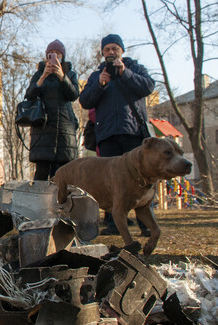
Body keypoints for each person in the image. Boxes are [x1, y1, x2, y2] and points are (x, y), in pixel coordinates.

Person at [79, 33, 155, 236]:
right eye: (107, 50)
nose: (111, 52)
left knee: (141, 178)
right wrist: (100, 85)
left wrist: (124, 73)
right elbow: (85, 101)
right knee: (109, 180)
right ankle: (113, 222)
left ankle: (146, 222)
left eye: (114, 48)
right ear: (103, 53)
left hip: (133, 132)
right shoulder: (97, 75)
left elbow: (148, 87)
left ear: (122, 50)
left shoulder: (134, 68)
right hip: (107, 135)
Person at [24, 39, 79, 180]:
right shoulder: (39, 74)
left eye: (58, 53)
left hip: (64, 130)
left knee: (63, 176)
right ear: (46, 56)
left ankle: (60, 203)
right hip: (43, 129)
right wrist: (43, 77)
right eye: (51, 54)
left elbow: (73, 95)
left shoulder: (70, 74)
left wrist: (62, 76)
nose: (55, 56)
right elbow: (29, 96)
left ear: (63, 56)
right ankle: (38, 202)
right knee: (41, 174)